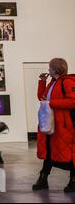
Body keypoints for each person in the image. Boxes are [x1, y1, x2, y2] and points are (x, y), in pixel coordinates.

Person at [32, 58, 75, 193]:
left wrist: (52, 103)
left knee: (69, 153)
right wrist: (42, 82)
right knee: (49, 151)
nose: (48, 70)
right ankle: (43, 178)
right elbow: (42, 98)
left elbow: (72, 101)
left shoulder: (67, 82)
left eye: (50, 67)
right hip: (52, 123)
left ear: (56, 69)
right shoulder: (53, 83)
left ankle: (72, 180)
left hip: (64, 124)